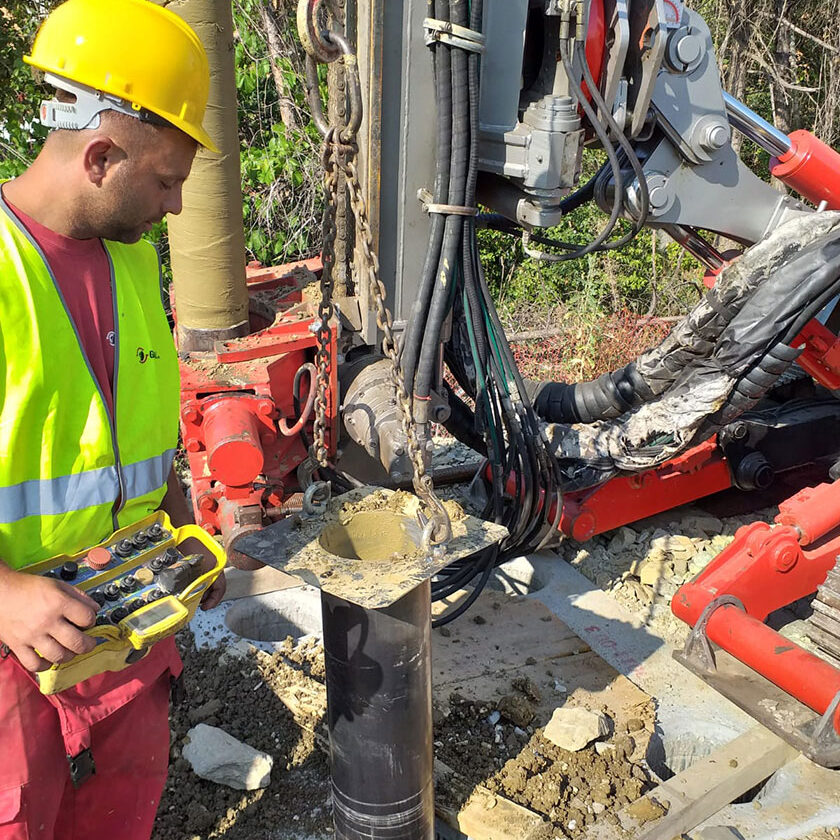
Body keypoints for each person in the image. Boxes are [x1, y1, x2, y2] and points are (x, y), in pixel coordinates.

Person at [0, 0, 226, 836]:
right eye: (165, 182)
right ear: (100, 155)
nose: (173, 209)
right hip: (13, 663)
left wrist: (180, 536)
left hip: (126, 641)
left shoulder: (131, 265)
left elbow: (136, 436)